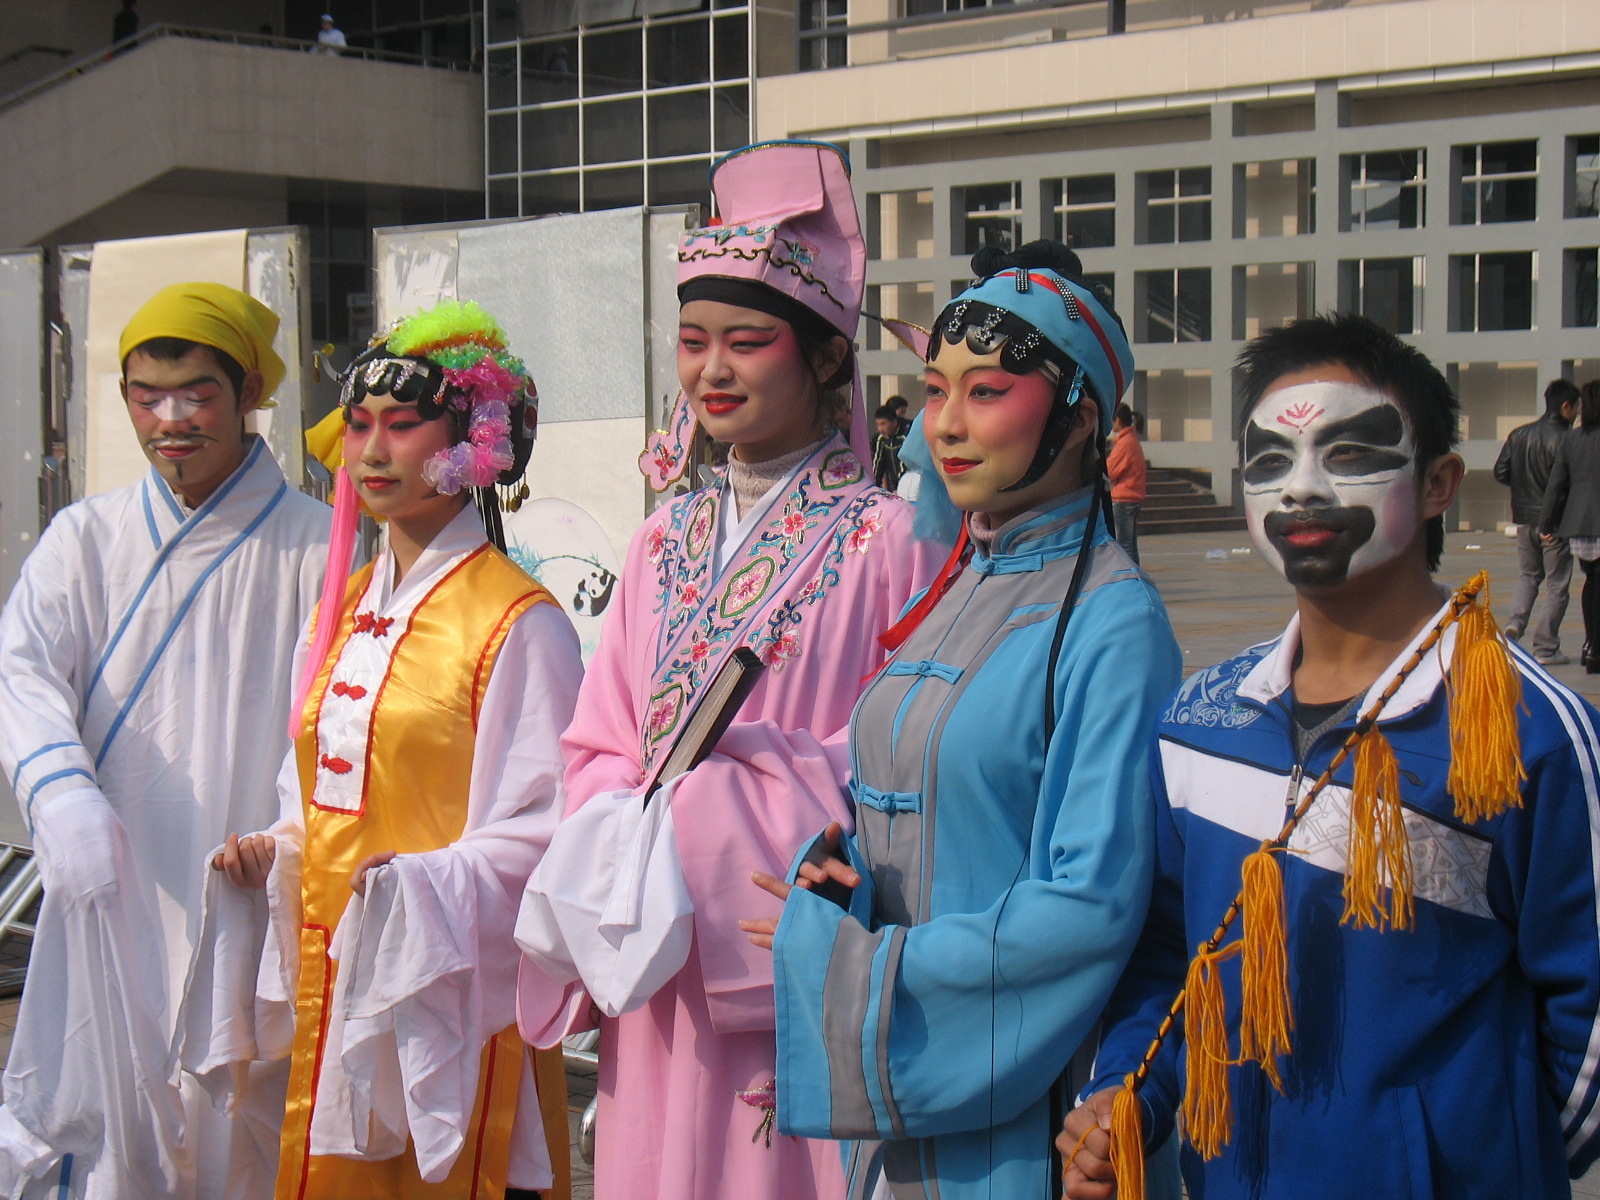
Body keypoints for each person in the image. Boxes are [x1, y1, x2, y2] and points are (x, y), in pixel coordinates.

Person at [1062, 314, 1600, 1199]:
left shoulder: (1528, 732)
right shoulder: (1200, 718)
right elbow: (1166, 957)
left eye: (1349, 454)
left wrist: (1462, 1152)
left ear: (1439, 483)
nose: (1301, 488)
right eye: (1269, 460)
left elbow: (1585, 1032)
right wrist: (1130, 1094)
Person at [514, 140, 937, 1200]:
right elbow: (599, 740)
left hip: (786, 929)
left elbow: (905, 755)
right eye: (694, 342)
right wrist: (628, 829)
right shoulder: (661, 539)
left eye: (747, 343)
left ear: (826, 359)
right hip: (655, 946)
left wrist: (709, 817)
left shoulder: (890, 540)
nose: (712, 371)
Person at [749, 240, 1183, 1199]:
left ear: (1079, 416)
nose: (944, 424)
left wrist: (869, 975)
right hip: (898, 1113)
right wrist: (838, 884)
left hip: (1019, 1109)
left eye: (986, 392)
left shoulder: (1113, 621)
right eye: (936, 390)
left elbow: (1091, 906)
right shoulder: (955, 584)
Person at [199, 301, 579, 1199]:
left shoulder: (516, 622)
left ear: (476, 442)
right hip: (331, 968)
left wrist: (426, 885)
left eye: (403, 425)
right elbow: (312, 794)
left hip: (444, 984)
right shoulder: (347, 604)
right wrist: (276, 852)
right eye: (359, 424)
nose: (370, 451)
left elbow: (551, 830)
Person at [0, 283, 330, 1199]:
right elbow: (21, 673)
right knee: (110, 1137)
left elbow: (340, 721)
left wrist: (289, 839)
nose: (171, 421)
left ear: (249, 391)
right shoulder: (83, 540)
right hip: (110, 884)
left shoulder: (320, 548)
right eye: (148, 397)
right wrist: (62, 799)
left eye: (197, 395)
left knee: (242, 1139)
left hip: (248, 891)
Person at [1494, 378, 1578, 664]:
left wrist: (1522, 490)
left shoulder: (1519, 434)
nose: (1577, 414)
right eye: (1575, 408)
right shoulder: (1566, 439)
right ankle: (1546, 647)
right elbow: (1568, 483)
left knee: (1528, 575)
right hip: (1554, 523)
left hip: (1523, 519)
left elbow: (1501, 471)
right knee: (1557, 584)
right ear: (1566, 406)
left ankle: (1514, 624)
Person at [1541, 379, 1600, 675]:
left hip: (1579, 522)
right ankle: (1595, 646)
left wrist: (1547, 522)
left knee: (1592, 580)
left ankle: (1591, 644)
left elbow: (1557, 484)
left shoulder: (1572, 439)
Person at [1108, 400, 1147, 564]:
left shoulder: (1125, 443)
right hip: (1132, 496)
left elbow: (1110, 471)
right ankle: (1135, 574)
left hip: (1124, 498)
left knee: (1124, 545)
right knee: (1130, 543)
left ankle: (1129, 575)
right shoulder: (1131, 440)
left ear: (1117, 420)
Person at [871, 402, 905, 490]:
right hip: (892, 486)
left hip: (906, 486)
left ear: (894, 422)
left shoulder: (905, 437)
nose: (880, 429)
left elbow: (905, 464)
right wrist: (873, 487)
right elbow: (878, 464)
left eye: (883, 424)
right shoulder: (881, 439)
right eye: (878, 424)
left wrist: (900, 488)